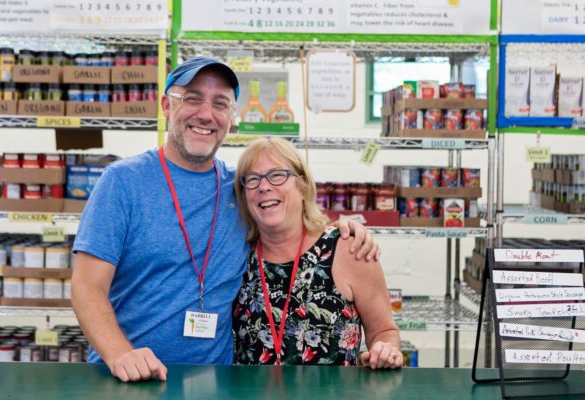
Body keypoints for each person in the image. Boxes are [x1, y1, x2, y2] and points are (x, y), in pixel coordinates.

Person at [71, 56, 381, 383]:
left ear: (231, 117)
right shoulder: (122, 182)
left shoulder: (241, 188)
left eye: (220, 103)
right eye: (192, 98)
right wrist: (120, 353)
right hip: (130, 381)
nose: (206, 114)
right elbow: (86, 287)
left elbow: (291, 223)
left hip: (212, 383)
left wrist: (344, 230)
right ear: (165, 105)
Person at [232, 137, 402, 368]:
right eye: (252, 179)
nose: (263, 186)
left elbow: (383, 330)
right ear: (244, 196)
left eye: (277, 175)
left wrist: (385, 351)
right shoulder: (235, 257)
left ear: (302, 186)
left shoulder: (350, 250)